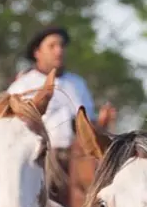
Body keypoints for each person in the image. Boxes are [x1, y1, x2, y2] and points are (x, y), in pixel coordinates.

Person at [7, 24, 97, 188]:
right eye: (52, 46)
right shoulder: (22, 86)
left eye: (61, 46)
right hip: (42, 159)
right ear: (37, 52)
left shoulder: (77, 84)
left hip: (75, 160)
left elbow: (91, 122)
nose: (59, 51)